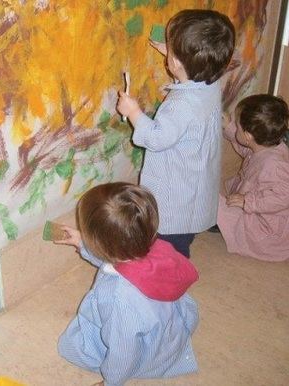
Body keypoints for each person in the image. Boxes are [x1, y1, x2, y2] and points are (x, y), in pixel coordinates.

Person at [53, 182, 199, 386]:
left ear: (101, 245)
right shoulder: (155, 248)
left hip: (141, 348)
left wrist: (111, 382)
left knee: (72, 346)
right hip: (165, 330)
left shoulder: (119, 299)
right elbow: (114, 259)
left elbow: (124, 351)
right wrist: (82, 244)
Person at [117, 9, 236, 258]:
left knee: (171, 248)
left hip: (175, 200)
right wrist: (173, 54)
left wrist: (133, 112)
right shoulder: (210, 83)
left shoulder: (181, 104)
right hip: (195, 189)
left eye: (171, 50)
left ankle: (171, 279)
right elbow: (196, 67)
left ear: (178, 62)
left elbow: (157, 138)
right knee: (184, 232)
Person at [217, 94, 289, 261]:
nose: (235, 128)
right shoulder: (267, 145)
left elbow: (285, 196)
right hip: (265, 209)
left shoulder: (275, 166)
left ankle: (228, 222)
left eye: (237, 126)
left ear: (248, 135)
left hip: (272, 233)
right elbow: (248, 150)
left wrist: (249, 202)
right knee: (226, 203)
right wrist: (230, 127)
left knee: (215, 203)